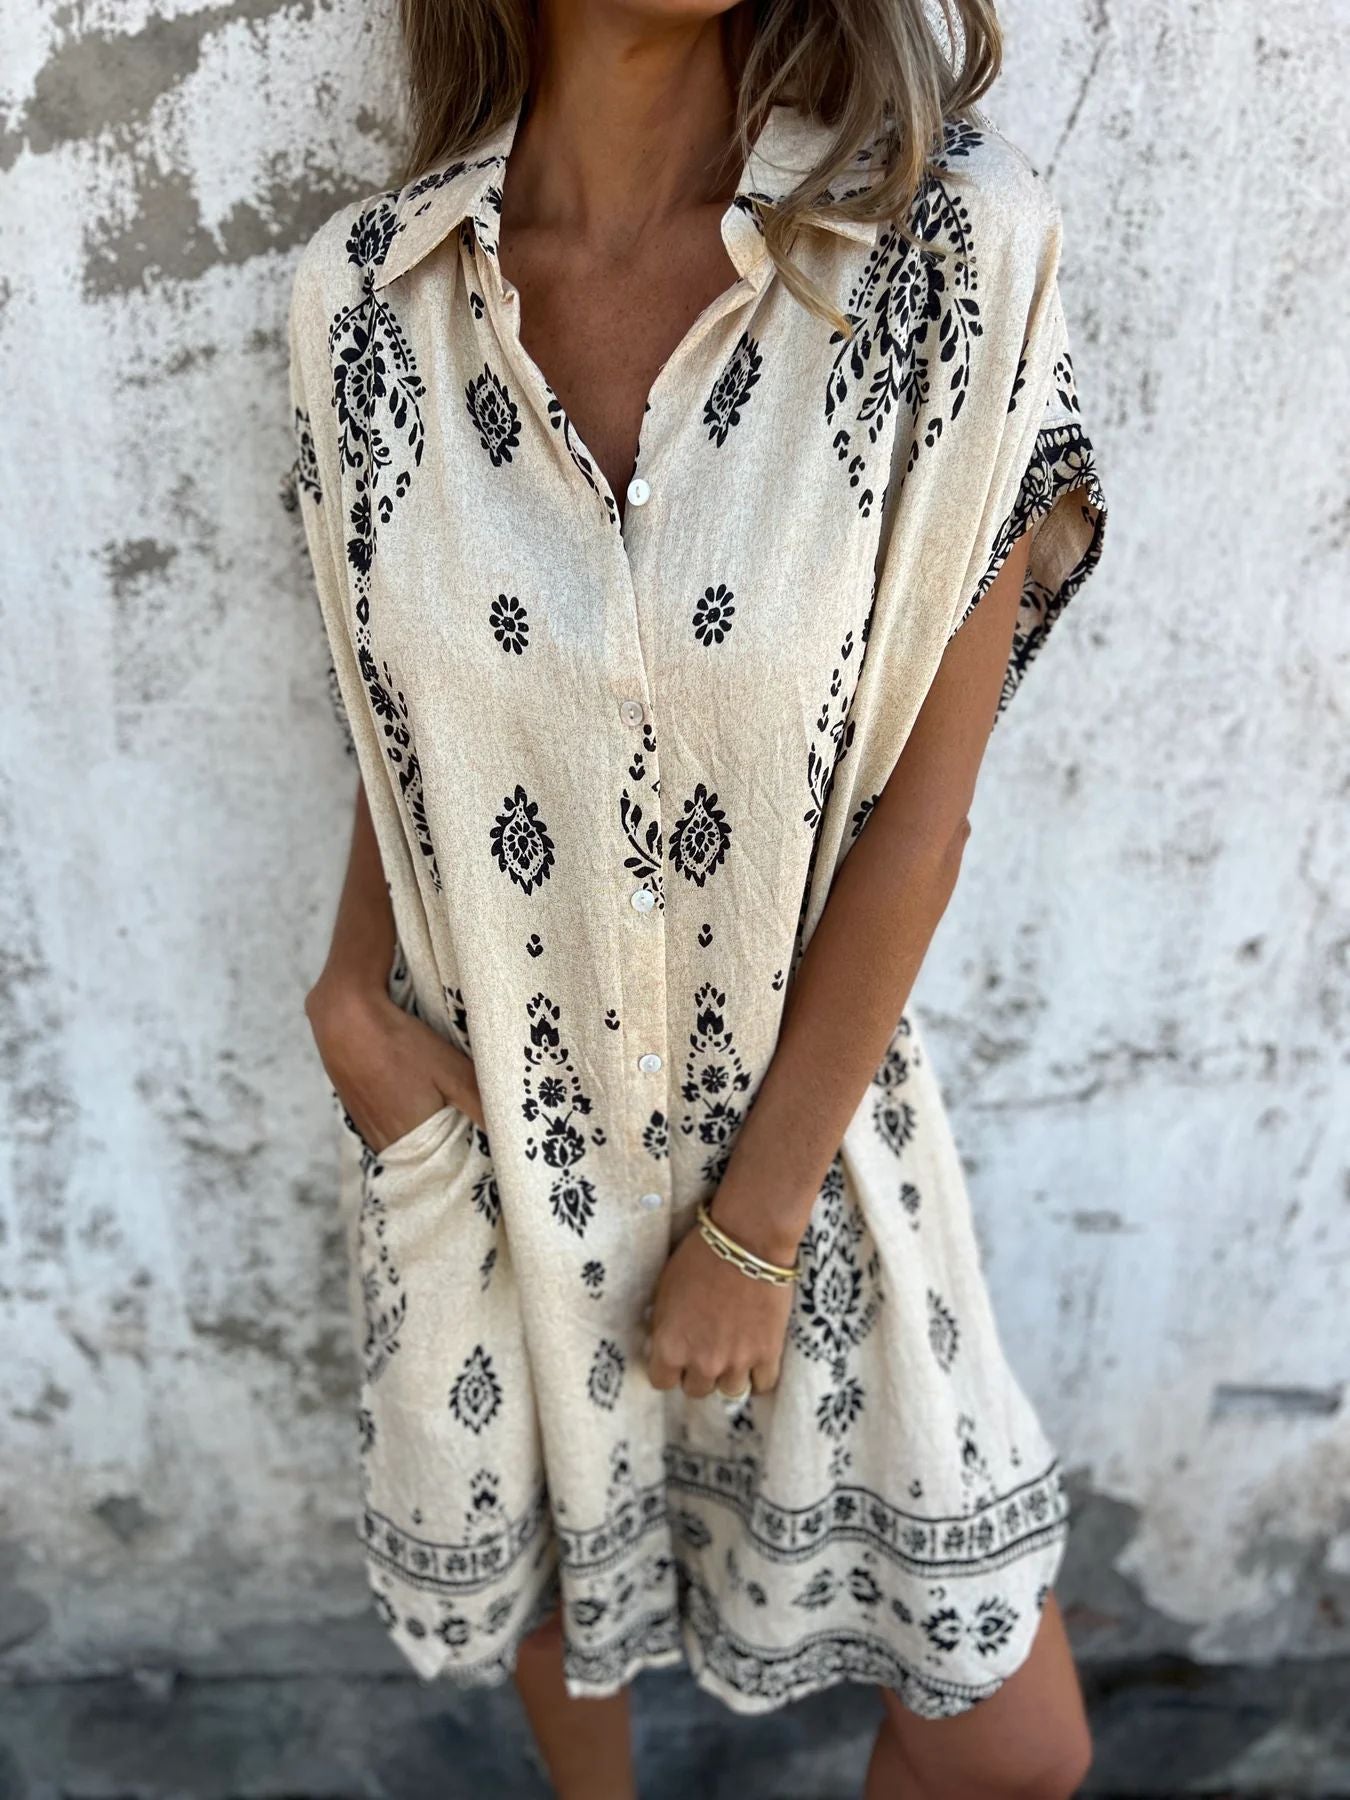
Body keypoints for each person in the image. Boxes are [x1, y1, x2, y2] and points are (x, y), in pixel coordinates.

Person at [278, 0, 1108, 1791]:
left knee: (1010, 1750)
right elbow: (399, 704)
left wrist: (756, 1225)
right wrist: (353, 1005)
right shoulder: (366, 296)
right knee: (559, 1602)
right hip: (488, 1121)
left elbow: (922, 814)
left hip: (804, 1145)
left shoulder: (948, 257)